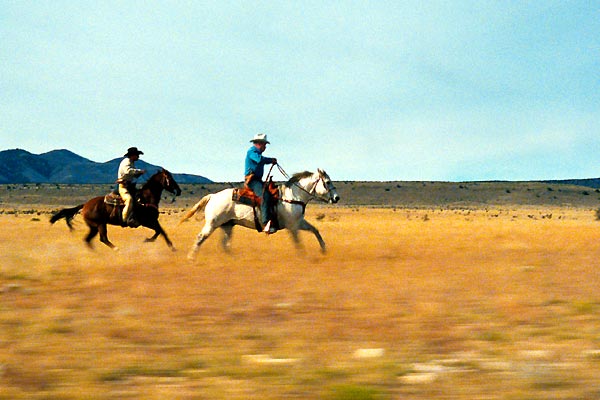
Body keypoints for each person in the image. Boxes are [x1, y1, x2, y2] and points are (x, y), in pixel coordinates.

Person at [245, 133, 278, 233]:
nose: (265, 147)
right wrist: (270, 160)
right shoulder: (252, 152)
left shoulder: (257, 153)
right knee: (265, 196)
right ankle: (265, 222)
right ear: (259, 143)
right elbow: (259, 160)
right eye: (264, 144)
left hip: (258, 180)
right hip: (252, 181)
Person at [117, 147, 146, 227]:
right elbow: (127, 171)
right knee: (129, 200)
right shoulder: (127, 162)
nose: (138, 157)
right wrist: (139, 171)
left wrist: (137, 173)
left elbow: (131, 174)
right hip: (123, 186)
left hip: (130, 186)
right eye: (137, 155)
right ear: (132, 155)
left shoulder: (131, 162)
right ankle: (124, 220)